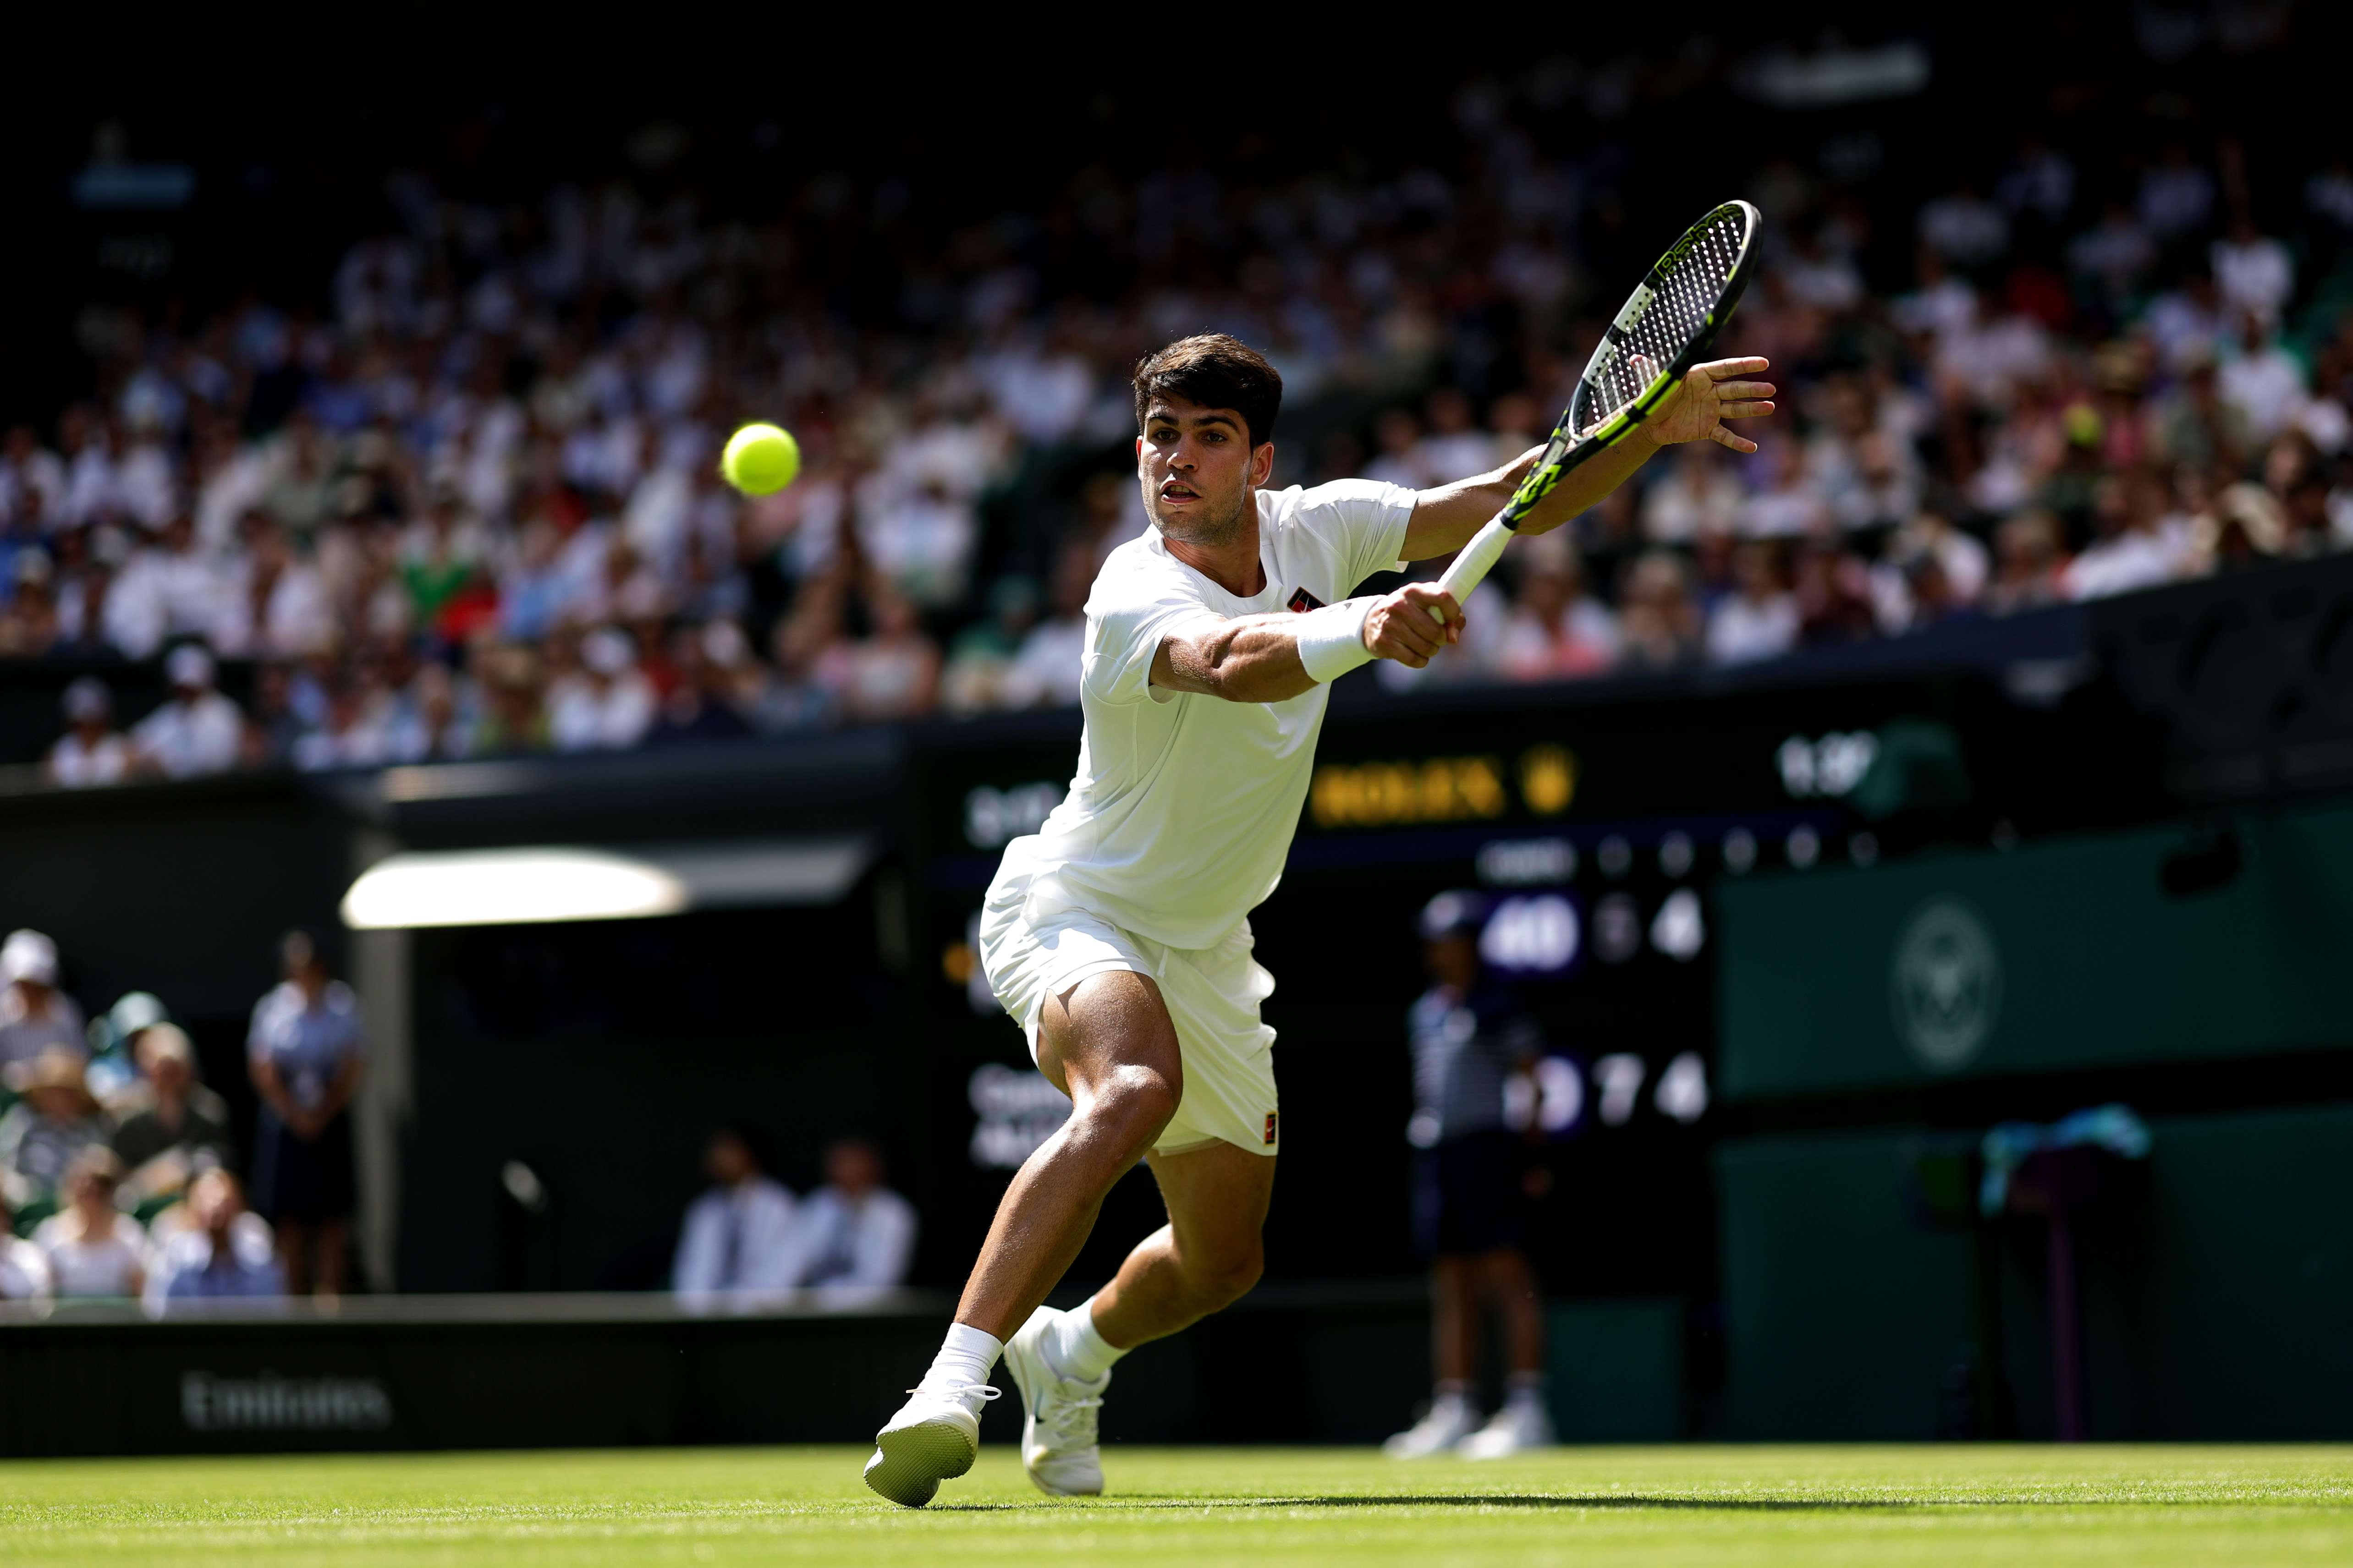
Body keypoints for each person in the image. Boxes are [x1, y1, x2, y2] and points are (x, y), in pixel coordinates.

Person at [861, 333, 1773, 1507]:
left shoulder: (1320, 528)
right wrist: (1362, 628)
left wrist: (1645, 429)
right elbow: (1230, 659)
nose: (1176, 458)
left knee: (1220, 1261)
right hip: (1078, 907)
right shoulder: (1128, 590)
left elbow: (1516, 495)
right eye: (1159, 435)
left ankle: (1070, 1350)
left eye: (1209, 437)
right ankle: (949, 1385)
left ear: (1258, 461)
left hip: (1208, 943)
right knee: (1131, 1088)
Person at [1383, 892, 1556, 1459]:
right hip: (1438, 1154)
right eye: (1434, 941)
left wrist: (1529, 1158)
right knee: (1451, 1280)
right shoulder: (1424, 1011)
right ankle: (1455, 1407)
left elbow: (1532, 1082)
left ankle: (1527, 1409)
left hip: (1489, 1150)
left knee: (1507, 1274)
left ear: (1470, 944)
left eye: (1448, 940)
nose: (1438, 950)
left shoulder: (1499, 1005)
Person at [247, 931, 365, 1297]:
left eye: (309, 966)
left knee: (332, 1217)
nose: (303, 973)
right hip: (286, 1124)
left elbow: (352, 1066)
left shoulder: (344, 1006)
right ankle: (292, 1302)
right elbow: (263, 1068)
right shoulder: (272, 1008)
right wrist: (295, 1115)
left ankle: (331, 1300)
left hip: (329, 1123)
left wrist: (323, 1114)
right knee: (289, 1219)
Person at [111, 1023, 237, 1209]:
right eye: (162, 1070)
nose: (168, 1078)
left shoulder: (211, 1111)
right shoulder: (128, 1115)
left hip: (199, 1207)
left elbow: (224, 1165)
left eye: (174, 1069)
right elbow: (121, 1174)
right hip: (144, 1208)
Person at [671, 1126, 800, 1302]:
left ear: (751, 1155)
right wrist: (698, 1306)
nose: (719, 1159)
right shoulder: (704, 1208)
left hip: (761, 1309)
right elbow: (692, 1270)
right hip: (707, 1312)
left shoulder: (780, 1205)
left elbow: (781, 1271)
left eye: (728, 1151)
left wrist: (739, 1304)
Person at [789, 1138, 917, 1296]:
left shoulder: (893, 1212)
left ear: (872, 1168)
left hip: (870, 1304)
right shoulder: (819, 1203)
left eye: (850, 1163)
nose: (842, 1170)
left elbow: (881, 1277)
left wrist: (825, 1296)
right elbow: (791, 1258)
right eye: (837, 1162)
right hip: (813, 1298)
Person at [145, 1168, 284, 1311]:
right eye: (207, 1200)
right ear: (191, 1207)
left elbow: (273, 1313)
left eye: (225, 1202)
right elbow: (161, 1313)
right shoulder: (175, 1259)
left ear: (240, 1206)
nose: (217, 1209)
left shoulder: (260, 1260)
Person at [0, 1048, 108, 1215]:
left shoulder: (91, 1127)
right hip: (26, 1205)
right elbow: (5, 1163)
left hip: (80, 1207)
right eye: (52, 1091)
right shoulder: (22, 1120)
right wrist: (22, 1194)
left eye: (66, 1092)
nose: (58, 1098)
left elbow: (101, 1167)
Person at [31, 1148, 145, 1299]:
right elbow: (44, 1295)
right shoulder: (50, 1234)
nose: (90, 1189)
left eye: (100, 1185)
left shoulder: (130, 1233)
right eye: (82, 1183)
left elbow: (139, 1294)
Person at [131, 643, 244, 779]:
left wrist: (167, 765)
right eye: (181, 687)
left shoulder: (227, 713)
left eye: (192, 687)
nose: (186, 693)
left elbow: (218, 763)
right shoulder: (169, 711)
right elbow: (136, 745)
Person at [0, 929, 86, 1075]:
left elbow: (82, 1060)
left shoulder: (66, 1012)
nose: (29, 991)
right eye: (23, 985)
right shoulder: (3, 1016)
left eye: (35, 985)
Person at [46, 677, 133, 788]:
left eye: (94, 723)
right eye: (80, 724)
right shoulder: (57, 752)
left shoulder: (124, 748)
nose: (88, 729)